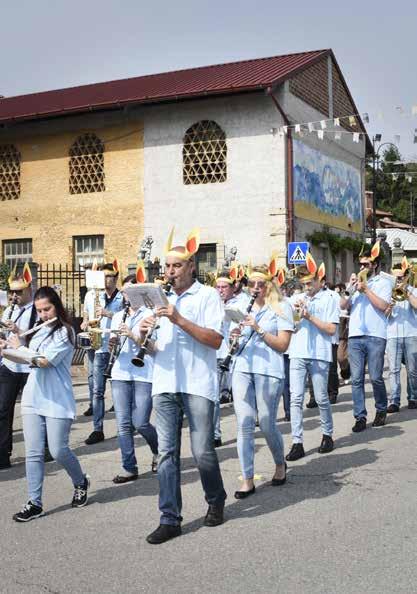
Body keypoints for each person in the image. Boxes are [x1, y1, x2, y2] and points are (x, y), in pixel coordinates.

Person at [140, 228, 227, 545]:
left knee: (202, 451)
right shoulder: (157, 300)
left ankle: (216, 498)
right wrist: (142, 337)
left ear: (191, 266)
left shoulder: (207, 296)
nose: (170, 272)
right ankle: (170, 518)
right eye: (166, 267)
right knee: (166, 455)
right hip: (164, 383)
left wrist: (179, 320)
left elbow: (215, 340)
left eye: (176, 266)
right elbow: (152, 347)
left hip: (196, 383)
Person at [1, 286, 89, 521]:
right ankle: (34, 502)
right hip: (33, 397)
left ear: (57, 306)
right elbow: (21, 358)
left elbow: (45, 361)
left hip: (57, 398)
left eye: (47, 309)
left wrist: (19, 347)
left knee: (59, 450)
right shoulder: (36, 332)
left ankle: (81, 481)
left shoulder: (66, 332)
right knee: (33, 453)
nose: (43, 315)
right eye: (39, 311)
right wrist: (5, 350)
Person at [231, 262, 293, 498]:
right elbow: (230, 343)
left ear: (269, 284)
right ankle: (247, 479)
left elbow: (283, 345)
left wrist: (257, 328)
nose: (256, 288)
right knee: (245, 422)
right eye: (251, 284)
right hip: (242, 367)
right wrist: (233, 337)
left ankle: (279, 464)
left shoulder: (282, 307)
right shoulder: (237, 306)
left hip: (269, 369)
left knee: (266, 422)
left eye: (261, 284)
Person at [286, 257, 339, 461]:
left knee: (321, 398)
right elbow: (286, 319)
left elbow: (331, 329)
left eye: (310, 283)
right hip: (297, 352)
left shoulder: (329, 299)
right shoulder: (296, 298)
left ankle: (327, 435)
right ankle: (297, 442)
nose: (307, 287)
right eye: (304, 284)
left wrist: (309, 317)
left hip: (319, 354)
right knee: (296, 398)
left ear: (319, 281)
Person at [109, 271, 158, 483]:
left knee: (140, 422)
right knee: (122, 424)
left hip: (143, 372)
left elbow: (153, 346)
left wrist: (132, 335)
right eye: (125, 292)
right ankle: (129, 467)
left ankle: (159, 451)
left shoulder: (151, 315)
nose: (127, 295)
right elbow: (113, 342)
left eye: (131, 291)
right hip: (120, 371)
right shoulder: (119, 316)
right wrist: (112, 343)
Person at [340, 241, 392, 432]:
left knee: (377, 377)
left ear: (375, 265)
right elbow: (343, 305)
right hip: (355, 335)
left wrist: (366, 290)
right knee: (356, 379)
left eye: (366, 264)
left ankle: (381, 409)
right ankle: (360, 416)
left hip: (376, 335)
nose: (362, 267)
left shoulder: (383, 283)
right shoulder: (355, 284)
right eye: (361, 264)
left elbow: (383, 306)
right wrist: (350, 288)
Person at [81, 260, 124, 444]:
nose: (106, 280)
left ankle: (124, 427)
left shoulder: (123, 297)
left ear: (115, 278)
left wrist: (109, 314)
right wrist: (84, 323)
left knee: (119, 391)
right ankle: (98, 429)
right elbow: (85, 316)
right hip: (98, 347)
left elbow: (130, 320)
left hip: (116, 349)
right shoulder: (91, 296)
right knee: (97, 391)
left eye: (109, 277)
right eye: (104, 276)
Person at [0, 263, 36, 469]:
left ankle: (45, 448)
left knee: (35, 409)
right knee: (3, 410)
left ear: (28, 290)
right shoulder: (8, 312)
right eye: (12, 292)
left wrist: (19, 330)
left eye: (18, 292)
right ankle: (3, 453)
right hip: (9, 365)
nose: (14, 296)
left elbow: (38, 337)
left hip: (28, 366)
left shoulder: (37, 310)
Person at [215, 265, 249, 446]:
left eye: (224, 287)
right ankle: (215, 434)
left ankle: (243, 429)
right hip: (214, 353)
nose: (220, 290)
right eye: (218, 287)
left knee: (239, 395)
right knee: (213, 396)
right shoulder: (212, 303)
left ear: (232, 288)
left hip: (234, 355)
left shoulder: (241, 303)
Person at [384, 260, 417, 412]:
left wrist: (407, 292)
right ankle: (394, 401)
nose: (398, 280)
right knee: (394, 369)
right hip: (392, 334)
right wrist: (389, 306)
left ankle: (413, 397)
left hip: (411, 333)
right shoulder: (386, 292)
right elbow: (383, 314)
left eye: (401, 277)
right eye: (396, 277)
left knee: (412, 369)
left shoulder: (412, 289)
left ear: (405, 277)